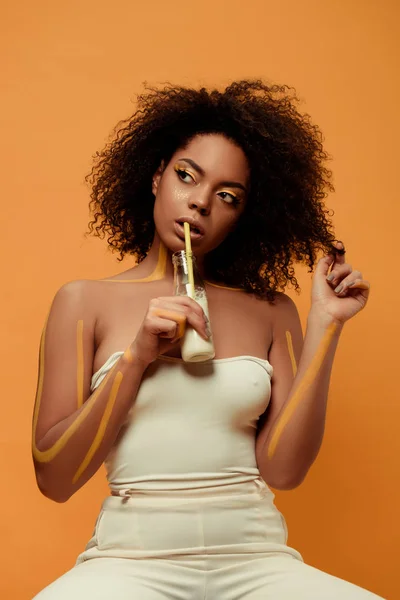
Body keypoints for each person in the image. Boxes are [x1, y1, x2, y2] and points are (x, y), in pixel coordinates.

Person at [31, 80, 382, 599]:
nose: (198, 203)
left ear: (243, 217)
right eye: (186, 176)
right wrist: (137, 358)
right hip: (129, 564)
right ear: (155, 177)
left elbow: (284, 472)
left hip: (258, 562)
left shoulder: (271, 311)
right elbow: (54, 479)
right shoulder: (83, 302)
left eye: (227, 196)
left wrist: (326, 325)